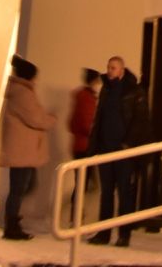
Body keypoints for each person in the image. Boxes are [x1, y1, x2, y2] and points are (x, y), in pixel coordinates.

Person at [88, 54, 152, 245]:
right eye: (108, 67)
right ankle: (104, 233)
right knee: (106, 192)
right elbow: (99, 118)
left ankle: (124, 234)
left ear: (122, 70)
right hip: (107, 149)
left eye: (113, 68)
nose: (109, 71)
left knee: (125, 193)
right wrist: (95, 145)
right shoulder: (106, 90)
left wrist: (127, 144)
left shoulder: (134, 91)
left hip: (124, 151)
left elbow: (140, 120)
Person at [0, 54, 57, 241]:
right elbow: (36, 118)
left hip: (23, 150)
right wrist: (52, 119)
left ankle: (13, 221)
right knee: (19, 189)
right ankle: (12, 225)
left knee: (24, 186)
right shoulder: (23, 93)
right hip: (22, 151)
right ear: (29, 76)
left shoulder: (20, 91)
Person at [68, 67, 103, 213]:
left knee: (81, 182)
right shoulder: (87, 98)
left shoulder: (80, 97)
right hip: (86, 146)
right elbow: (87, 124)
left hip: (78, 145)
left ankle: (76, 212)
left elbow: (71, 123)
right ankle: (76, 213)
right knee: (85, 183)